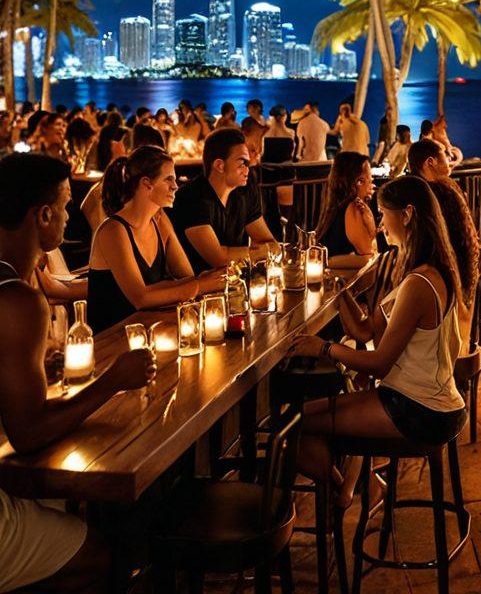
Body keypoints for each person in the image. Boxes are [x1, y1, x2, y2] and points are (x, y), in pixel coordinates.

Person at [0, 153, 155, 593]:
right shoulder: (18, 300)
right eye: (66, 206)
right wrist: (113, 381)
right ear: (43, 214)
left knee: (56, 507)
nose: (71, 217)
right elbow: (28, 432)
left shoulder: (16, 284)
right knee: (103, 555)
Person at [291, 174, 466, 506]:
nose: (381, 226)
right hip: (417, 398)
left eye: (384, 215)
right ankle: (349, 490)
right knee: (297, 421)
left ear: (408, 214)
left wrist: (325, 348)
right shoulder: (412, 267)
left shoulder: (420, 282)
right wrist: (338, 290)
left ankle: (342, 494)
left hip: (421, 410)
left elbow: (380, 363)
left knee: (294, 427)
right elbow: (364, 331)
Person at [87, 146, 222, 332]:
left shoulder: (160, 221)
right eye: (169, 179)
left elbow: (186, 277)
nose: (175, 186)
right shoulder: (113, 230)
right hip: (112, 340)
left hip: (148, 329)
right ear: (146, 184)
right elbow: (140, 298)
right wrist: (200, 285)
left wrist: (207, 279)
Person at [170, 128, 276, 273]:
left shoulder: (245, 189)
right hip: (199, 288)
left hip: (237, 283)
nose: (248, 169)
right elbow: (218, 258)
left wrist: (263, 250)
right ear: (220, 165)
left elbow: (269, 242)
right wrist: (261, 252)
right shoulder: (191, 198)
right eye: (242, 163)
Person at [408, 138, 479, 344]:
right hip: (453, 281)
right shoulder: (441, 192)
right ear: (430, 162)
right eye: (445, 156)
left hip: (435, 282)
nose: (450, 161)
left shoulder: (417, 192)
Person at [316, 151, 377, 267]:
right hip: (340, 278)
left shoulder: (336, 204)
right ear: (358, 182)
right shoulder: (353, 207)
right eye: (369, 179)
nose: (371, 184)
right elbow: (369, 253)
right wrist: (371, 224)